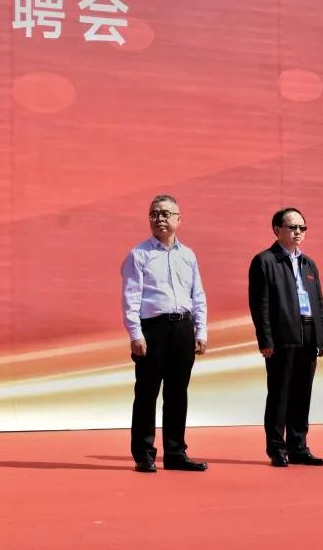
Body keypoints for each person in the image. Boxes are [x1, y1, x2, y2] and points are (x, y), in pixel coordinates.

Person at [121, 194, 208, 473]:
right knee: (147, 393)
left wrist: (201, 330)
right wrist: (135, 334)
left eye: (166, 213)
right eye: (154, 213)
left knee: (177, 393)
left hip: (183, 327)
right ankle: (144, 454)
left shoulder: (188, 255)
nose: (160, 218)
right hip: (153, 330)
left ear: (179, 219)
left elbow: (198, 295)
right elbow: (131, 298)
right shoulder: (139, 255)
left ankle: (175, 453)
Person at [248, 207, 323, 467]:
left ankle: (298, 447)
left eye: (302, 228)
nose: (298, 232)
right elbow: (259, 305)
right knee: (279, 395)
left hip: (308, 335)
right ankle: (277, 448)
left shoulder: (308, 264)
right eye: (292, 227)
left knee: (302, 394)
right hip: (282, 338)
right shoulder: (264, 261)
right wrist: (266, 340)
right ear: (277, 230)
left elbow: (318, 303)